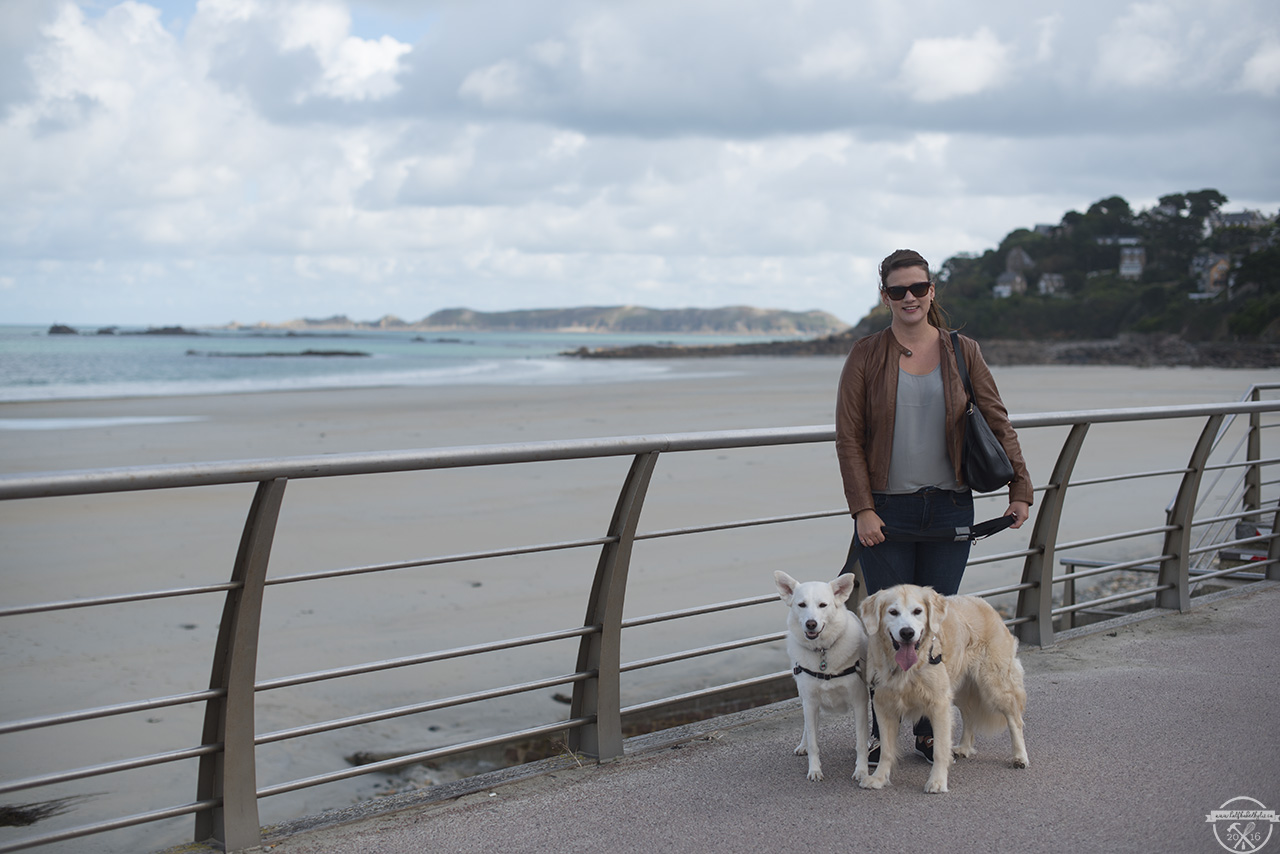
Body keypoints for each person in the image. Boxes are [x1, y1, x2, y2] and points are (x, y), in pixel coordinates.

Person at [835, 248, 1033, 763]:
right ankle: (885, 732)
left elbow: (997, 419)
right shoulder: (865, 354)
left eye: (917, 288)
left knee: (931, 627)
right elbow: (849, 438)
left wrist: (1020, 489)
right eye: (897, 290)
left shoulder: (962, 351)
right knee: (886, 627)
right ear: (885, 296)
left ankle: (926, 726)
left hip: (950, 509)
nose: (909, 298)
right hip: (886, 512)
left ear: (931, 291)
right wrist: (862, 508)